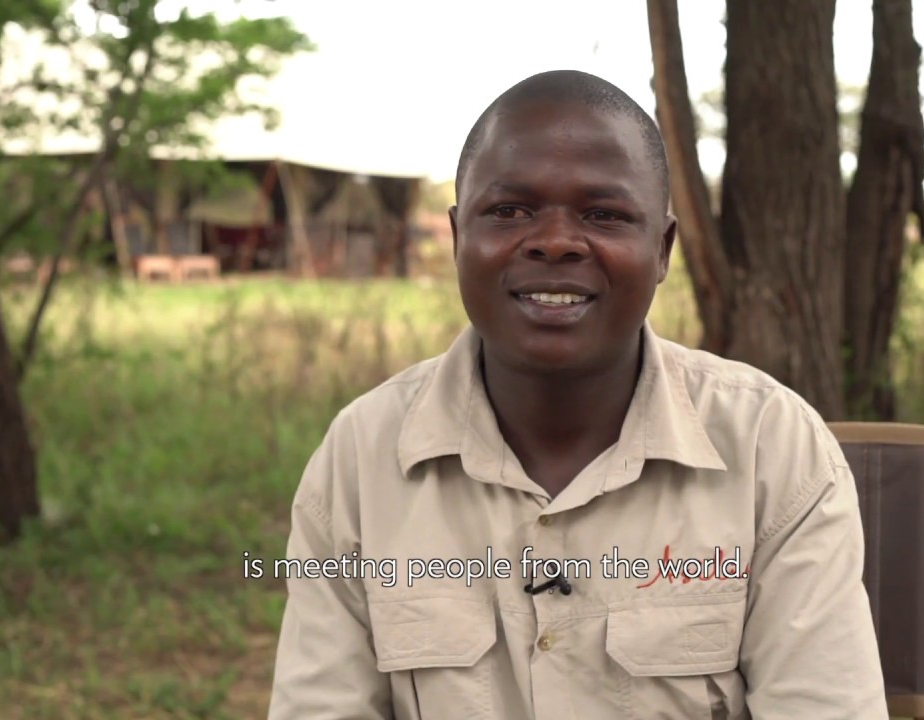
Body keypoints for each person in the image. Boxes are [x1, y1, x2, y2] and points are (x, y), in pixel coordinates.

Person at [267, 69, 887, 719]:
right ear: (457, 237)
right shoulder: (363, 455)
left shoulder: (772, 448)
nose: (556, 242)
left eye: (604, 214)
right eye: (509, 211)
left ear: (662, 249)